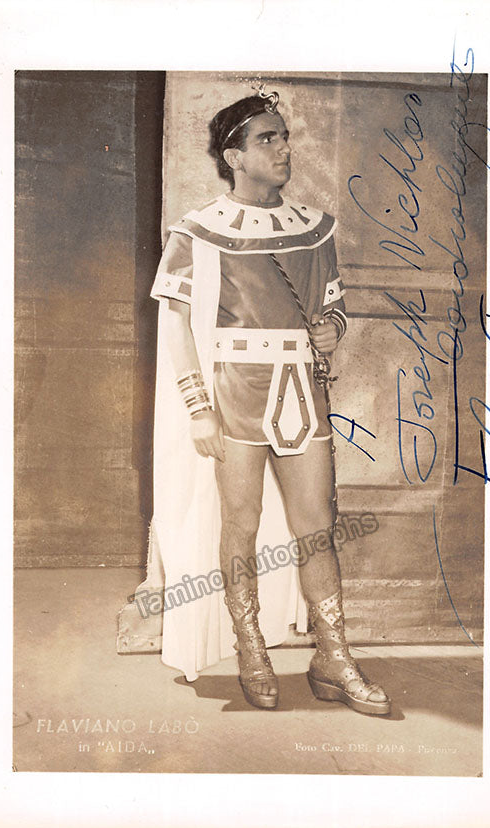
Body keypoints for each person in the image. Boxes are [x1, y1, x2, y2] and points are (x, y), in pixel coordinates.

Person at [149, 85, 390, 715]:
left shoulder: (315, 227)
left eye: (284, 137)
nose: (284, 148)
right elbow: (176, 321)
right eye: (268, 139)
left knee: (317, 528)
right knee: (242, 523)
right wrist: (197, 407)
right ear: (234, 156)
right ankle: (250, 645)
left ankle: (333, 655)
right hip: (235, 394)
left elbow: (332, 304)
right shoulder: (198, 230)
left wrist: (331, 330)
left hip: (303, 391)